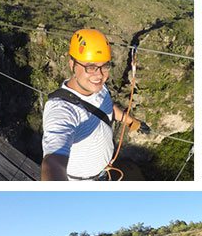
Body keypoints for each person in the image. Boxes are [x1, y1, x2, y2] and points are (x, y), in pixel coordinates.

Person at [41, 28, 150, 181]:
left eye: (105, 66)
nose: (99, 75)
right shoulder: (62, 109)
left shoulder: (100, 88)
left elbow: (107, 108)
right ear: (72, 64)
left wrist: (131, 121)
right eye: (90, 67)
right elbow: (53, 162)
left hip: (104, 172)